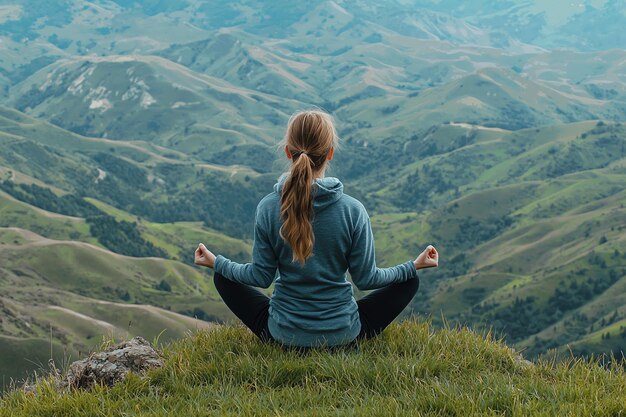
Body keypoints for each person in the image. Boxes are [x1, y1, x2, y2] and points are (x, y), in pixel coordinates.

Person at [194, 110, 439, 348]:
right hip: (344, 334)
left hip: (281, 334)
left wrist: (216, 263)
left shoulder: (268, 208)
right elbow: (367, 279)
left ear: (287, 151)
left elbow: (260, 277)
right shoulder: (353, 210)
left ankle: (290, 332)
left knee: (223, 277)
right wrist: (413, 266)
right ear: (330, 153)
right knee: (409, 281)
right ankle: (340, 333)